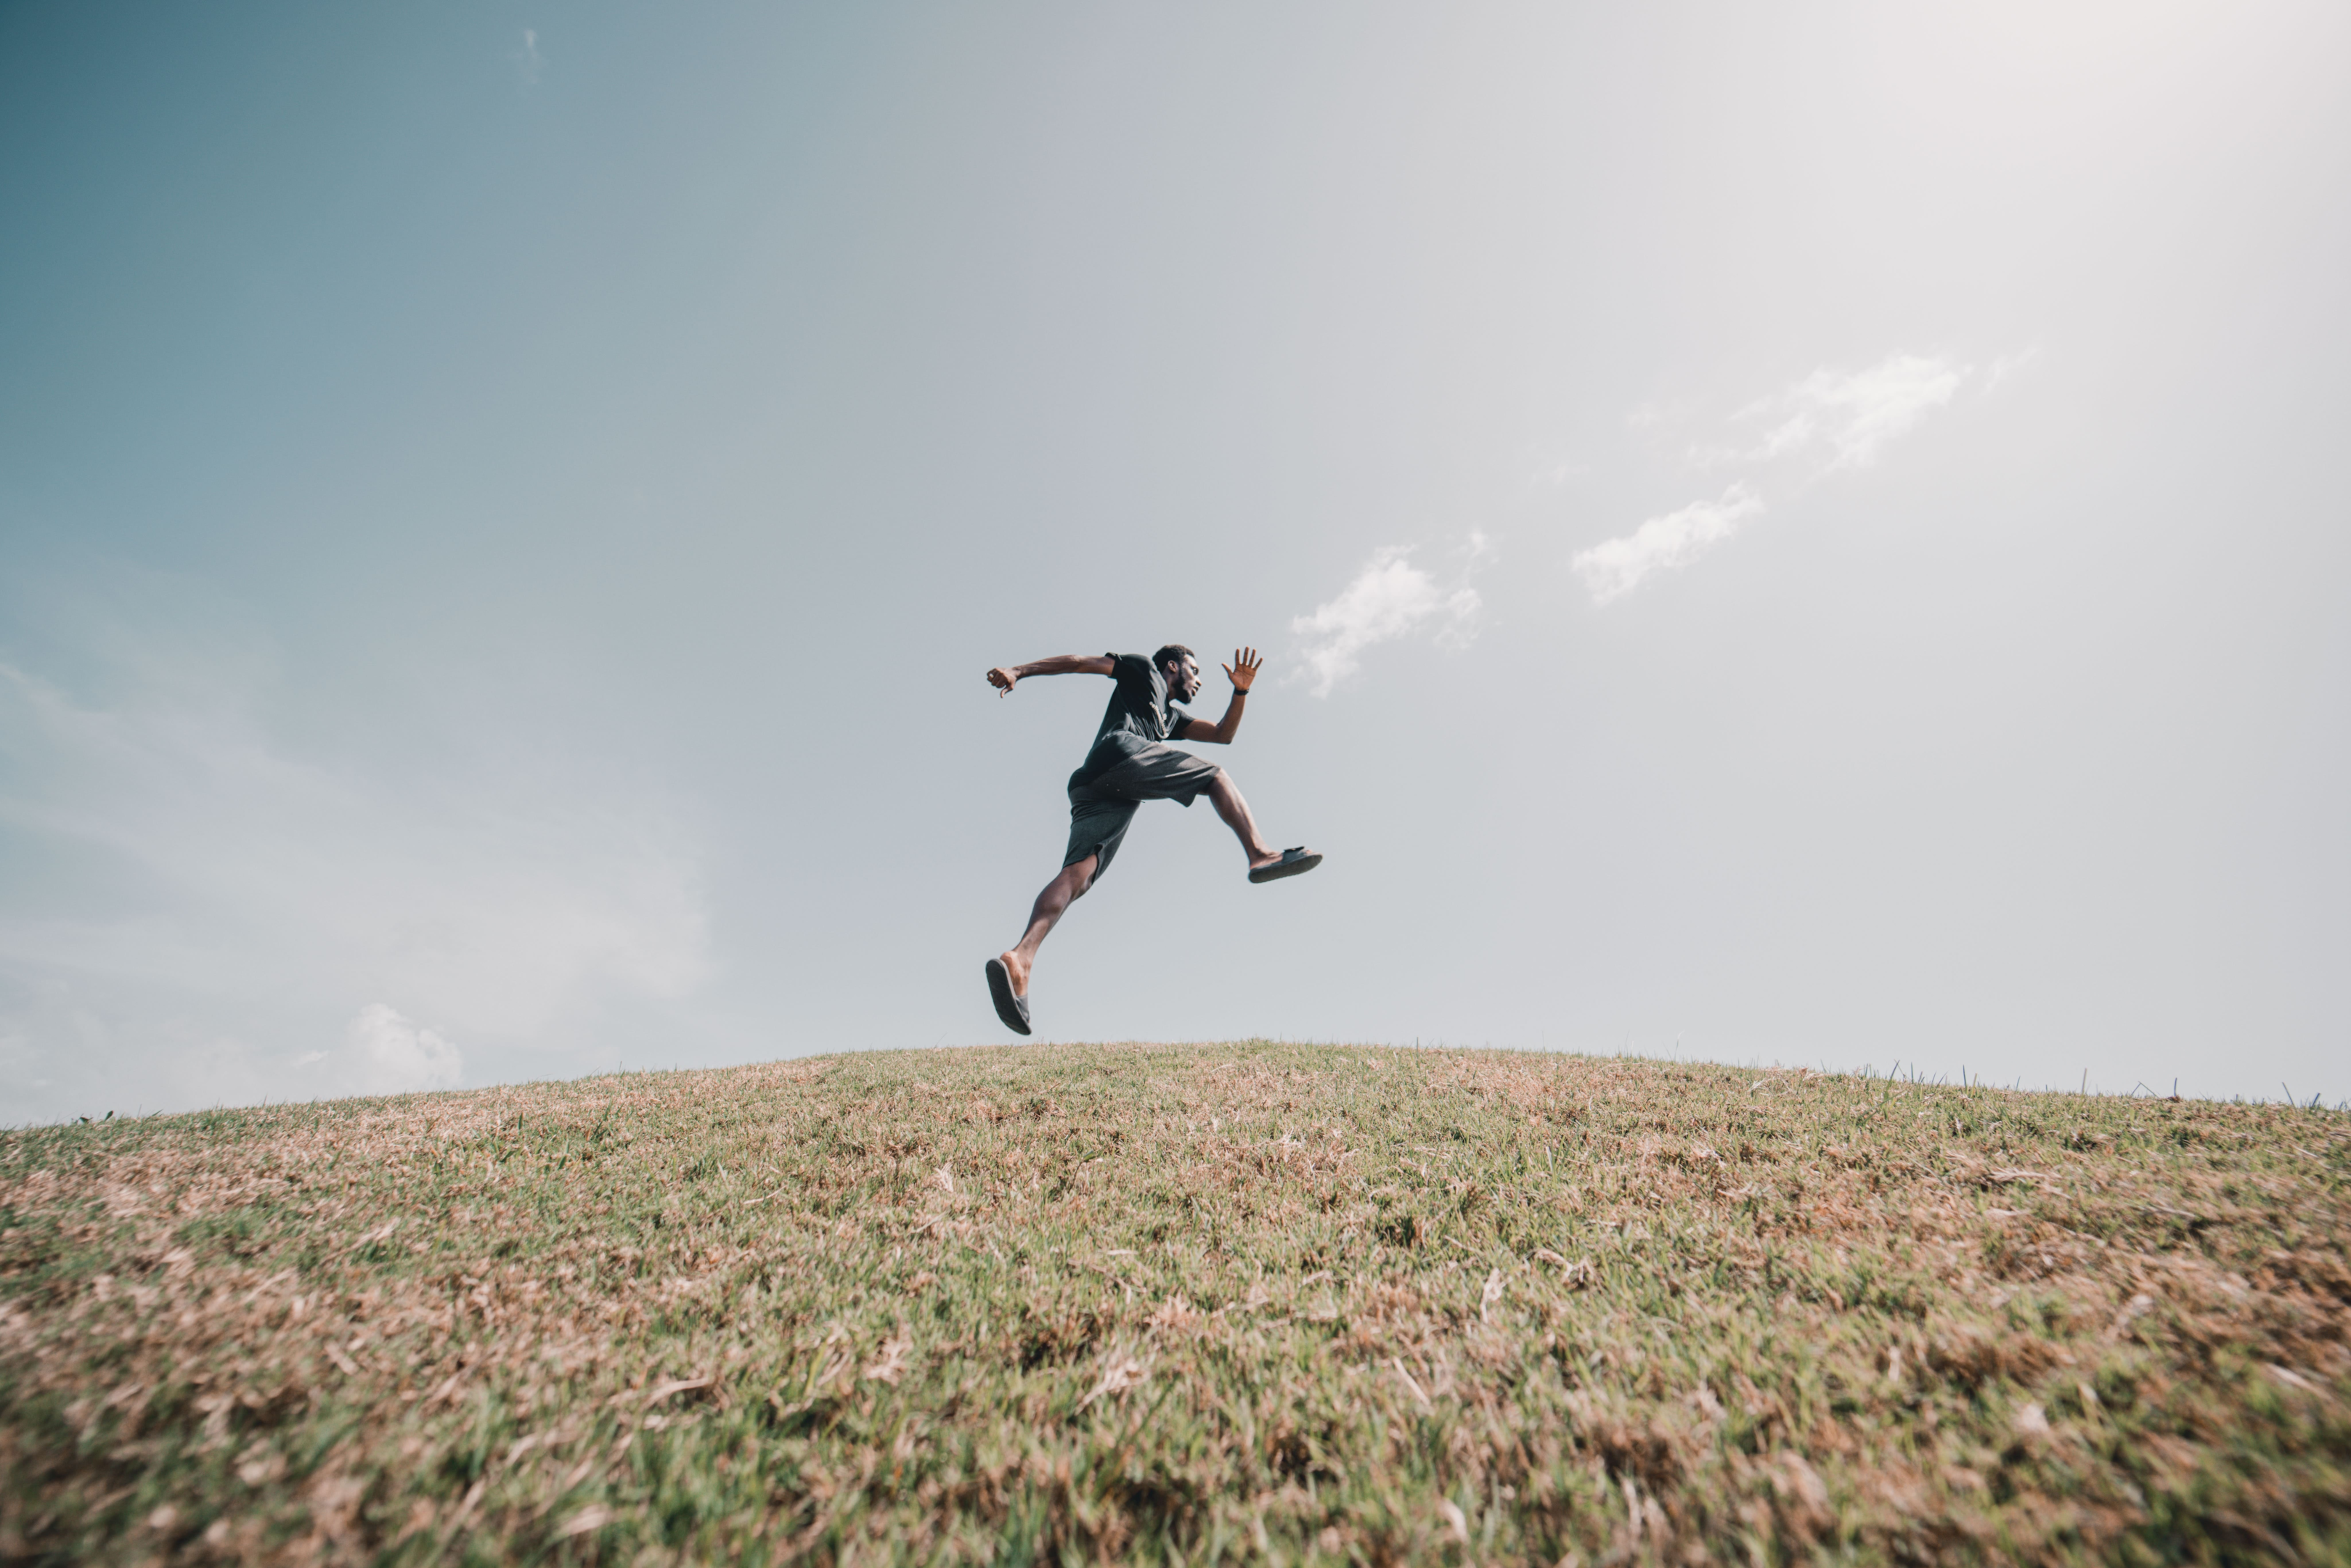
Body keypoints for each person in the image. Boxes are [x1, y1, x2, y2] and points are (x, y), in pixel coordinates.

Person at [981, 645, 1320, 1034]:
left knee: (1078, 875)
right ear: (1173, 666)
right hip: (1117, 756)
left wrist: (1240, 692)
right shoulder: (1144, 670)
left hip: (1097, 786)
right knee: (1215, 776)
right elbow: (1079, 663)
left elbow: (1223, 734)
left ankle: (1020, 959)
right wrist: (1018, 671)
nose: (1199, 679)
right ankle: (1260, 854)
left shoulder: (1168, 717)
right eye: (1194, 670)